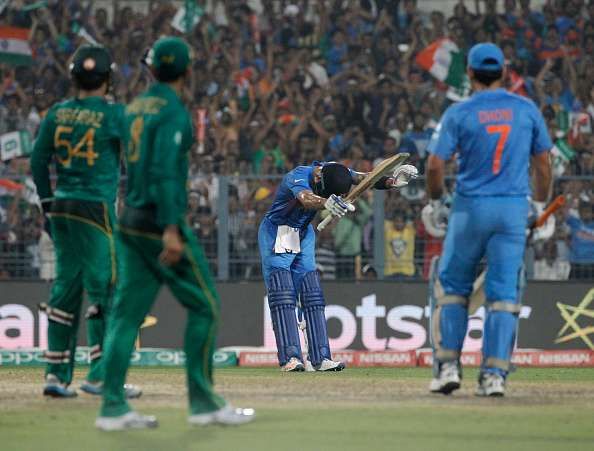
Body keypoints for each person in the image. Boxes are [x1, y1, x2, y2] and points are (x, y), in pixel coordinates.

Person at [95, 37, 254, 431]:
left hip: (129, 219)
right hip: (158, 223)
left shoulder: (132, 109)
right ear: (187, 70)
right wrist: (170, 229)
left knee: (125, 316)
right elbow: (166, 171)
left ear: (150, 69)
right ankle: (203, 403)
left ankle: (112, 407)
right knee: (205, 306)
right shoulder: (174, 114)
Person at [425, 43, 552, 397]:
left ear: (469, 73)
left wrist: (436, 201)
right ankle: (494, 375)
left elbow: (435, 165)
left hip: (469, 209)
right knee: (503, 296)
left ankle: (448, 367)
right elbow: (543, 163)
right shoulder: (526, 109)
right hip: (511, 211)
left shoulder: (459, 112)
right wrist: (539, 204)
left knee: (451, 290)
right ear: (505, 70)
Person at [30, 45, 140, 399]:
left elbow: (37, 160)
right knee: (107, 288)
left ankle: (55, 375)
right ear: (108, 80)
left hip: (61, 207)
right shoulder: (114, 115)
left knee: (65, 288)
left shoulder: (57, 113)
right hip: (95, 209)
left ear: (74, 76)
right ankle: (102, 375)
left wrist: (47, 202)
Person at [258, 160, 417, 372]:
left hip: (303, 233)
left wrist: (391, 182)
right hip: (278, 232)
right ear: (318, 178)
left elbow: (365, 179)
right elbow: (305, 198)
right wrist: (326, 203)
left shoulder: (336, 170)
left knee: (312, 294)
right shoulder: (298, 176)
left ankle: (321, 358)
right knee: (283, 295)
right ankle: (291, 358)